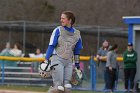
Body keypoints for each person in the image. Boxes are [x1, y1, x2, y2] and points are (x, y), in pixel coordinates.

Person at [42, 11, 83, 93]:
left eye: (63, 18)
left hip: (68, 61)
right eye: (61, 18)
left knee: (67, 87)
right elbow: (51, 46)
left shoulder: (77, 34)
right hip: (57, 59)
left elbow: (77, 51)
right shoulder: (58, 30)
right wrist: (46, 59)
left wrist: (77, 65)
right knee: (59, 87)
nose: (61, 20)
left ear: (70, 20)